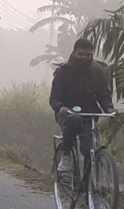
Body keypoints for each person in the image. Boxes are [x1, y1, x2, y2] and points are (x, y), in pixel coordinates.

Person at [49, 38, 116, 172]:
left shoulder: (97, 73)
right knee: (73, 121)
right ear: (74, 53)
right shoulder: (62, 73)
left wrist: (109, 108)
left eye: (88, 55)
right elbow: (54, 98)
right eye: (81, 54)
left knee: (89, 149)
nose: (84, 58)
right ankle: (66, 155)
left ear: (92, 55)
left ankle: (88, 185)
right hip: (68, 114)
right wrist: (61, 107)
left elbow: (104, 95)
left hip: (89, 115)